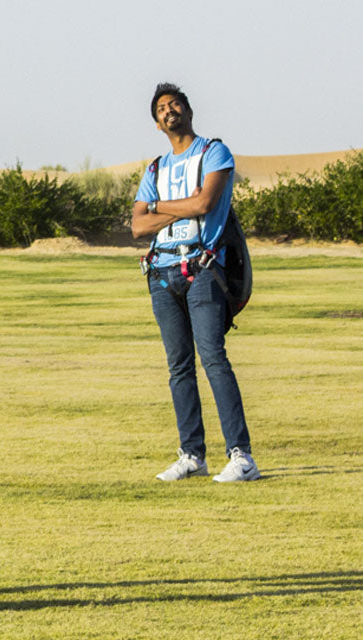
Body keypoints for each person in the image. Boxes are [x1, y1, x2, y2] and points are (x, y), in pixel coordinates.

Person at [131, 83, 260, 483]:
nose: (169, 111)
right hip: (162, 274)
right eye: (162, 109)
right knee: (179, 367)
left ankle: (242, 456)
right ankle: (192, 454)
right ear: (157, 123)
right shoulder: (155, 168)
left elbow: (205, 203)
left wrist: (158, 207)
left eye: (175, 105)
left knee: (213, 359)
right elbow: (138, 225)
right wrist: (170, 207)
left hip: (202, 269)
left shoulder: (213, 152)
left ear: (188, 110)